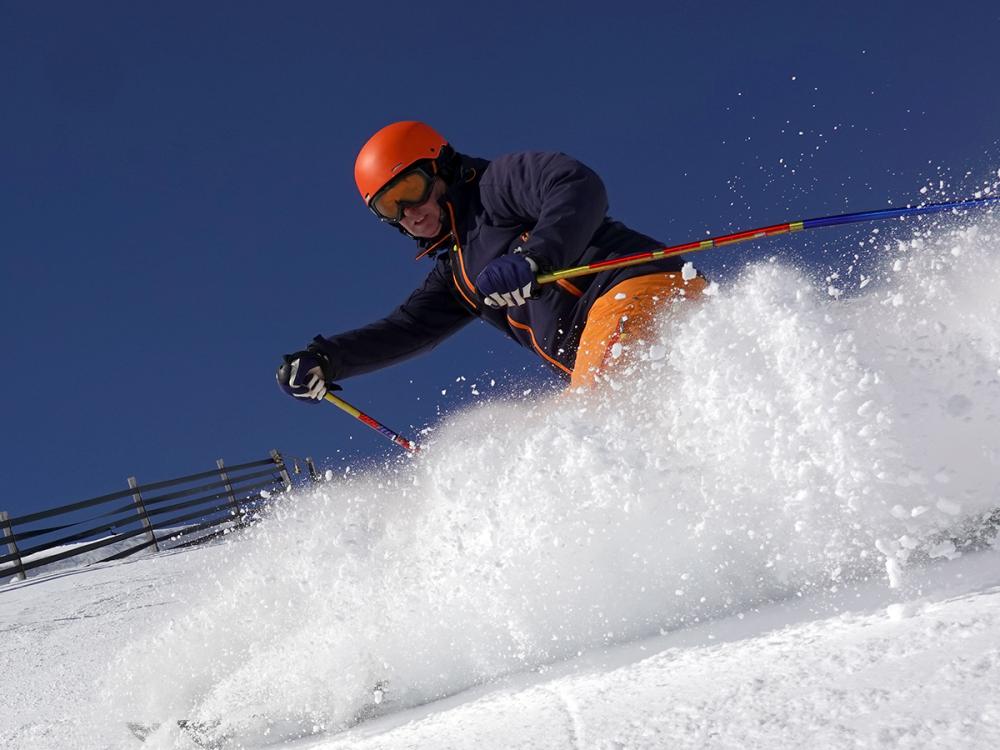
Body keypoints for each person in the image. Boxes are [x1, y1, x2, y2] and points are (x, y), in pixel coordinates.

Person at [277, 121, 706, 403]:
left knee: (593, 416)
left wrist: (535, 257)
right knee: (557, 447)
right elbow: (407, 329)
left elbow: (575, 185)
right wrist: (328, 358)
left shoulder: (495, 188)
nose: (410, 211)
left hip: (632, 290)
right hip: (591, 356)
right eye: (391, 207)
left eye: (411, 188)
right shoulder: (459, 275)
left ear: (440, 167)